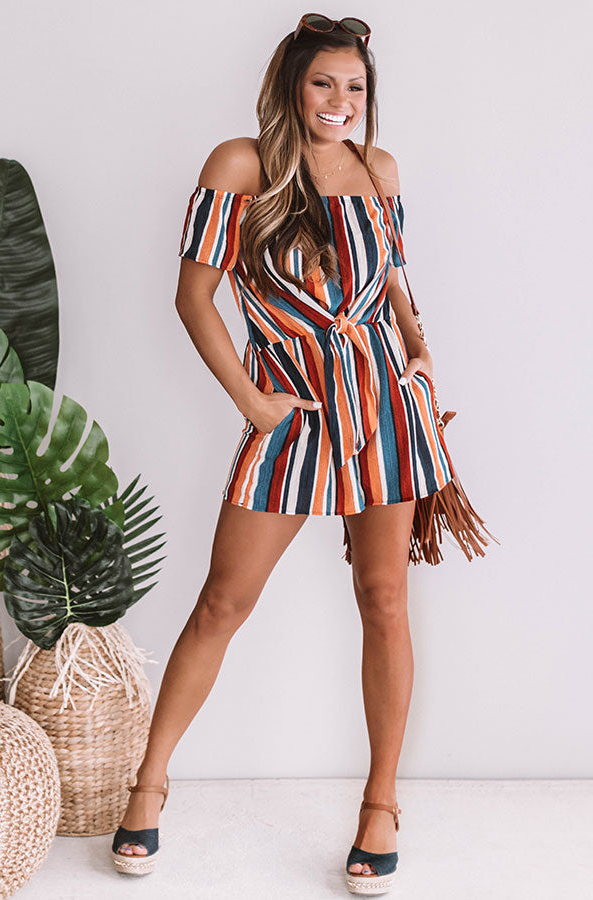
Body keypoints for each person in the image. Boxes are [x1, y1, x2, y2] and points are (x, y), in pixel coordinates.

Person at [111, 13, 497, 894]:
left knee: (384, 600)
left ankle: (380, 806)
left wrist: (419, 348)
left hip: (382, 411)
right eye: (324, 82)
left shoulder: (379, 169)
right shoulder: (241, 165)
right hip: (291, 415)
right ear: (292, 84)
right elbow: (195, 297)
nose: (340, 101)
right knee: (222, 602)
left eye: (355, 86)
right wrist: (252, 404)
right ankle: (149, 786)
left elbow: (391, 276)